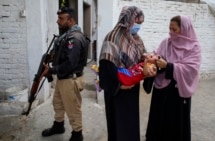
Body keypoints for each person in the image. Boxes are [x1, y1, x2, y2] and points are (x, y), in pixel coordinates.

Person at [99, 6, 156, 141]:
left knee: (130, 123)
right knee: (118, 125)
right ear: (128, 20)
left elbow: (143, 57)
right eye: (137, 23)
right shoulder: (112, 37)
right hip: (117, 91)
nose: (138, 26)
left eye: (140, 24)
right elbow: (106, 65)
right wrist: (118, 86)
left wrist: (149, 65)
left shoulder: (136, 39)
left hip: (132, 89)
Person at [145, 15, 201, 141]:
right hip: (161, 90)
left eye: (174, 29)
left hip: (177, 93)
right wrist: (152, 61)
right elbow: (157, 54)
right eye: (169, 29)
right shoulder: (166, 42)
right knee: (158, 121)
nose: (171, 32)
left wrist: (169, 66)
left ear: (184, 29)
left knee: (174, 124)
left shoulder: (194, 48)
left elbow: (191, 70)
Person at [42, 7, 88, 141]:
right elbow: (64, 56)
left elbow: (70, 64)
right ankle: (58, 125)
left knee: (73, 108)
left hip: (70, 79)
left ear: (71, 20)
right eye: (58, 18)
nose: (58, 21)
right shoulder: (66, 36)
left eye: (61, 19)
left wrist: (51, 70)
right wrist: (53, 57)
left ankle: (77, 134)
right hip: (63, 78)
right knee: (58, 103)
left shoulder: (74, 38)